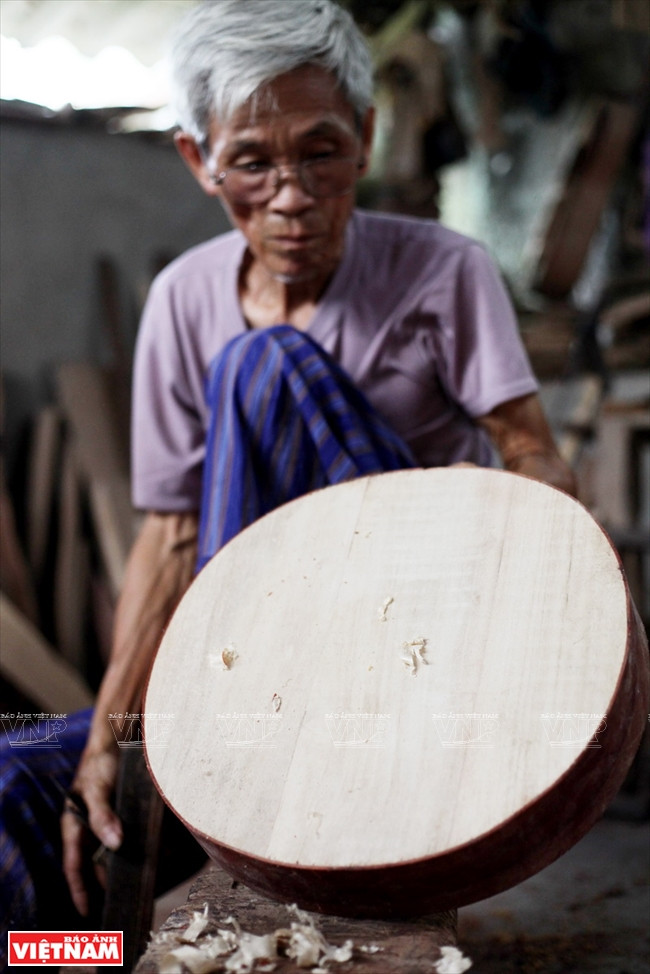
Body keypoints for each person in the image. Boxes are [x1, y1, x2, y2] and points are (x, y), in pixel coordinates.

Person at [1, 0, 576, 944]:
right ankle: (77, 954)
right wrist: (110, 732)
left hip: (408, 656)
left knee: (262, 366)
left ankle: (261, 750)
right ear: (197, 161)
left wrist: (547, 537)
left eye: (321, 153)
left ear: (367, 138)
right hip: (251, 681)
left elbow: (528, 445)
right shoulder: (184, 297)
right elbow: (171, 532)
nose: (292, 195)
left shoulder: (443, 271)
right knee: (22, 784)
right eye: (253, 163)